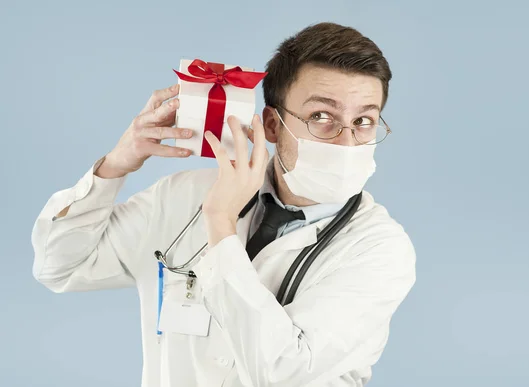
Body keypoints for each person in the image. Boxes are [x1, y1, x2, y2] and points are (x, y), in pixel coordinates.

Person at [31, 22, 416, 387]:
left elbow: (281, 371)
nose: (347, 142)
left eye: (364, 120)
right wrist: (115, 165)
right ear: (272, 126)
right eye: (321, 116)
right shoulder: (185, 196)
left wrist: (220, 223)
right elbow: (60, 265)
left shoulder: (380, 249)